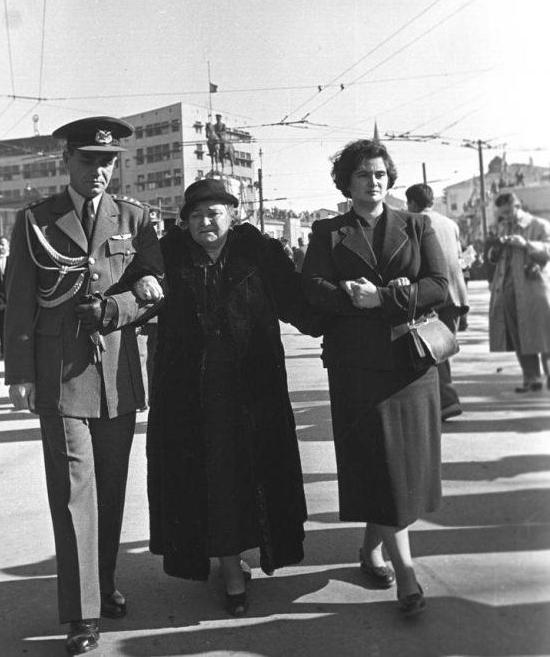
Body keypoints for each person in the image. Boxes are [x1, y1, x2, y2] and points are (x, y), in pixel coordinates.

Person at [4, 116, 164, 656]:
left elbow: (152, 289)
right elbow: (19, 302)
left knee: (113, 489)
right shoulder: (35, 220)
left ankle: (105, 583)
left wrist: (114, 308)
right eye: (90, 160)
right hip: (60, 374)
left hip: (116, 372)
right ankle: (82, 613)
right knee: (74, 494)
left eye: (108, 161)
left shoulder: (136, 219)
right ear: (67, 161)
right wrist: (20, 373)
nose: (100, 170)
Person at [147, 178, 309, 617]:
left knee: (248, 476)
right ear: (185, 222)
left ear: (232, 215)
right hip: (190, 395)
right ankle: (230, 571)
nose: (205, 221)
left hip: (253, 391)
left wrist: (343, 314)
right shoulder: (167, 256)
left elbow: (299, 300)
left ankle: (237, 558)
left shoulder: (258, 254)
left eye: (214, 212)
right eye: (196, 215)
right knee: (210, 481)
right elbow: (136, 297)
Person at [302, 139, 448, 617]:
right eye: (363, 174)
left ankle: (371, 549)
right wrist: (349, 296)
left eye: (381, 173)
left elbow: (439, 288)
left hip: (411, 364)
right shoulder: (328, 232)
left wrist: (383, 298)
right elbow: (313, 293)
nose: (374, 181)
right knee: (382, 464)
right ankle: (406, 574)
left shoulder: (416, 224)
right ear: (346, 181)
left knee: (395, 468)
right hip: (357, 367)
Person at [406, 183, 469, 420]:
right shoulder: (450, 223)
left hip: (432, 296)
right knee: (441, 351)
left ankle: (446, 402)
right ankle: (440, 401)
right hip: (455, 295)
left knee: (434, 350)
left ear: (412, 202)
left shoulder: (413, 222)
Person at [487, 192, 550, 392]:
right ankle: (531, 378)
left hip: (534, 289)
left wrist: (526, 244)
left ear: (517, 205)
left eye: (508, 212)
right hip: (508, 289)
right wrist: (495, 251)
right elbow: (494, 256)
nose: (505, 217)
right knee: (519, 335)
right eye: (502, 213)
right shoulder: (504, 225)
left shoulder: (538, 225)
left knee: (543, 333)